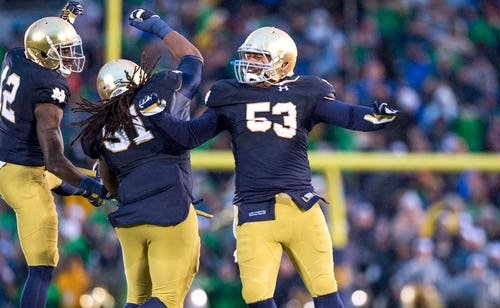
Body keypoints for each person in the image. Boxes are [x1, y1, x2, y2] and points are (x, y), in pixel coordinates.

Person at [136, 26, 399, 307]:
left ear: (283, 63)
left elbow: (343, 113)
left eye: (258, 57)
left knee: (326, 291)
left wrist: (370, 117)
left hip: (301, 208)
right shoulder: (230, 93)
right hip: (254, 210)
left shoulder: (305, 90)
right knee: (256, 297)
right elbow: (190, 136)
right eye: (247, 56)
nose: (249, 63)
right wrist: (158, 116)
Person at [74, 8, 204, 308]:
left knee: (136, 299)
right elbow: (194, 59)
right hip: (170, 210)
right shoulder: (161, 91)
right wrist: (158, 27)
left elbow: (109, 183)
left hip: (130, 218)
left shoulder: (99, 126)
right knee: (168, 299)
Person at [0, 14, 107, 308]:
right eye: (64, 51)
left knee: (83, 182)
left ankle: (97, 188)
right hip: (24, 174)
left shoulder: (16, 55)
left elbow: (39, 39)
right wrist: (88, 185)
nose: (71, 57)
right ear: (44, 53)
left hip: (11, 160)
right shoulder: (49, 90)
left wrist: (63, 19)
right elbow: (56, 161)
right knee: (43, 267)